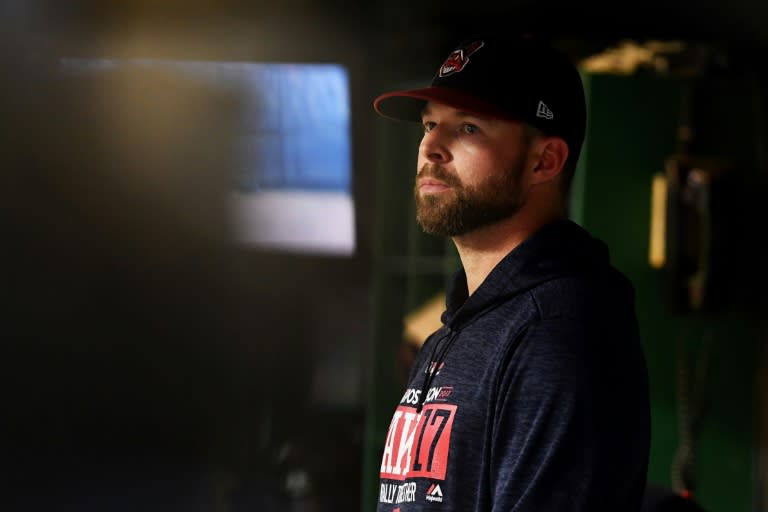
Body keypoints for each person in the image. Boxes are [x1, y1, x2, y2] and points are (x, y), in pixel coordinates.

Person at [372, 34, 651, 511]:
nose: (431, 148)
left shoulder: (555, 332)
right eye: (430, 125)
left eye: (469, 129)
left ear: (545, 160)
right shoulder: (462, 325)